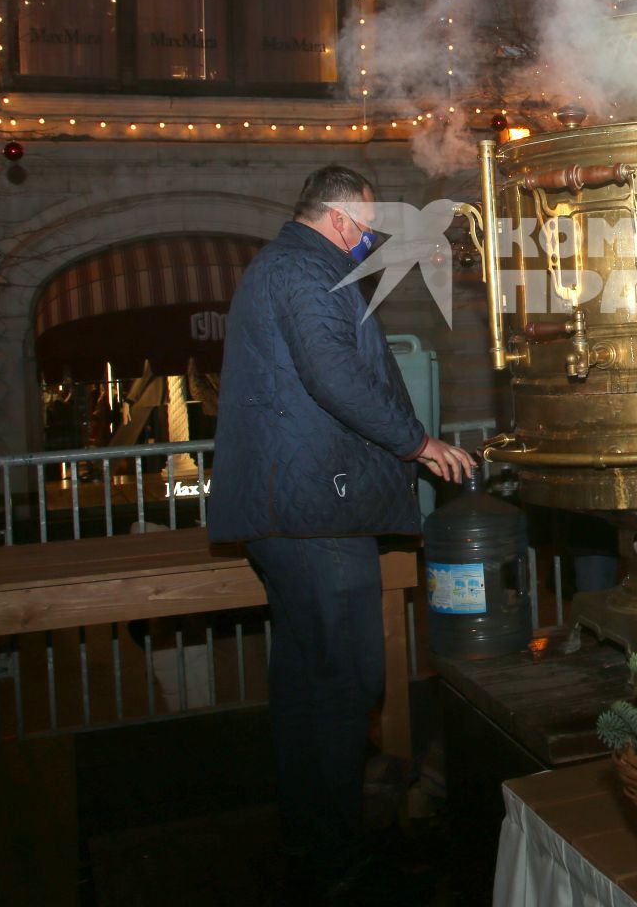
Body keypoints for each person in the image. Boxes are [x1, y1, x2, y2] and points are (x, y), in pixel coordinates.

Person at [208, 165, 475, 902]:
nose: (372, 243)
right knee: (346, 682)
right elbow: (334, 377)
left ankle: (312, 840)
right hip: (313, 515)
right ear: (339, 218)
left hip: (295, 513)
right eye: (368, 229)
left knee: (306, 686)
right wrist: (419, 445)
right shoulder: (304, 270)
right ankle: (336, 860)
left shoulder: (290, 266)